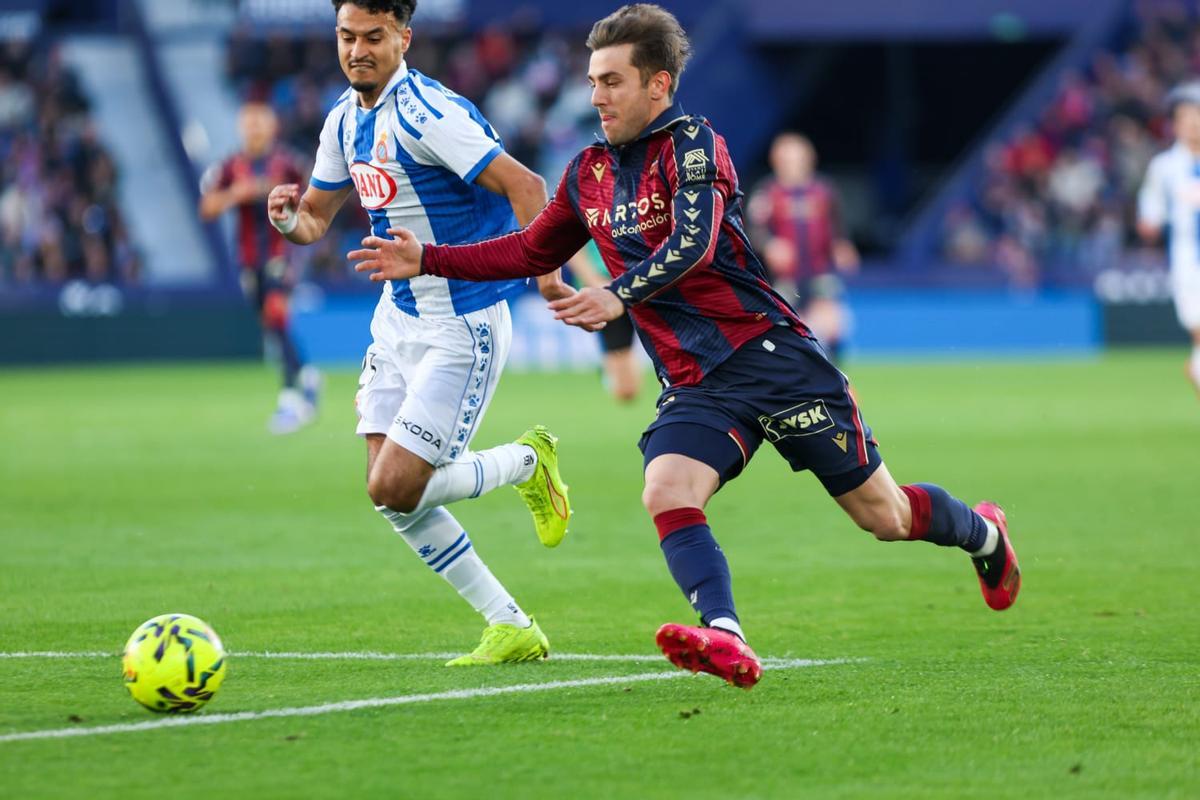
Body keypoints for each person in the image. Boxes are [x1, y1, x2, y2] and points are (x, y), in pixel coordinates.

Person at [348, 3, 1022, 688]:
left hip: (771, 358)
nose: (597, 96)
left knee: (885, 516)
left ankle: (985, 532)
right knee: (666, 488)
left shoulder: (694, 145)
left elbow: (692, 244)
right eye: (592, 81)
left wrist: (618, 294)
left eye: (613, 81)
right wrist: (428, 258)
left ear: (659, 84)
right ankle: (725, 633)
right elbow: (527, 250)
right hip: (698, 383)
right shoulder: (587, 173)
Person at [265, 0, 578, 665]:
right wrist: (288, 220)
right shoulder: (343, 120)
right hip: (397, 318)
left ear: (404, 38)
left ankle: (527, 461)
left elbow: (527, 186)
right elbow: (315, 219)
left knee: (394, 487)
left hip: (463, 322)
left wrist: (549, 279)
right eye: (347, 36)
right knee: (389, 494)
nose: (357, 50)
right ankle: (510, 625)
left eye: (373, 37)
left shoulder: (427, 114)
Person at [200, 101, 322, 434]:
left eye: (259, 123)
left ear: (272, 127)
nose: (253, 129)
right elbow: (207, 207)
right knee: (271, 324)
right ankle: (307, 373)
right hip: (249, 258)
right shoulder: (230, 167)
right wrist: (235, 194)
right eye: (248, 123)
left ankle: (290, 400)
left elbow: (317, 193)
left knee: (276, 313)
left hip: (283, 251)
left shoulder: (288, 162)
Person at [747, 132, 858, 365]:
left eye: (797, 158)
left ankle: (833, 376)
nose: (792, 164)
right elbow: (753, 230)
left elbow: (837, 227)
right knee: (783, 332)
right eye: (786, 159)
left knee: (833, 325)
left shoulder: (824, 191)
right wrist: (770, 244)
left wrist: (842, 246)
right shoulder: (767, 193)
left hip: (819, 272)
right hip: (784, 278)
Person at [1138, 81, 1200, 399]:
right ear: (1175, 124)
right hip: (1189, 262)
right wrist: (1148, 224)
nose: (1194, 123)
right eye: (1187, 117)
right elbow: (1150, 214)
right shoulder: (1164, 168)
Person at [568, 241, 644, 402]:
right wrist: (593, 280)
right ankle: (609, 365)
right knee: (626, 390)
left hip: (645, 281)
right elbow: (571, 248)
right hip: (607, 287)